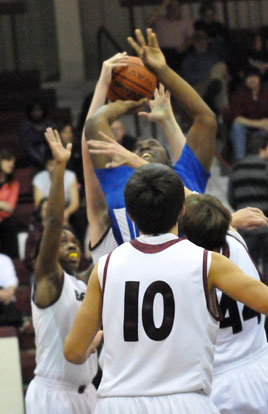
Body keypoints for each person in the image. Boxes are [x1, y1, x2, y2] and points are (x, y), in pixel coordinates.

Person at [64, 163, 268, 414]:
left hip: (117, 403)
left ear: (130, 212)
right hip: (184, 400)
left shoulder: (105, 267)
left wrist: (97, 340)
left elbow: (73, 352)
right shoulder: (206, 262)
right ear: (181, 210)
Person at [85, 28, 217, 245]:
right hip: (136, 276)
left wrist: (163, 71)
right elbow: (94, 124)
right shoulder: (118, 181)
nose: (145, 145)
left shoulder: (184, 178)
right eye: (138, 148)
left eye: (154, 145)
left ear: (170, 163)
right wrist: (126, 103)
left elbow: (206, 119)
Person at [25, 128, 99, 414]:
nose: (71, 243)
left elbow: (118, 254)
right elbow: (55, 221)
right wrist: (60, 167)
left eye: (74, 240)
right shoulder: (49, 281)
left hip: (89, 393)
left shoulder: (84, 283)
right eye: (63, 241)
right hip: (53, 397)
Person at [179, 193, 268, 413]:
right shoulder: (235, 237)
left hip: (219, 385)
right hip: (261, 366)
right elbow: (202, 206)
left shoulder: (182, 271)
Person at [228, 135, 268, 284]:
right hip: (266, 226)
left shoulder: (236, 168)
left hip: (245, 228)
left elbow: (231, 197)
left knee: (250, 269)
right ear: (262, 148)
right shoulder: (265, 166)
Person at [32, 153, 86, 248]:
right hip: (47, 210)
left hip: (66, 209)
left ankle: (78, 246)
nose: (54, 167)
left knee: (80, 216)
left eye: (57, 164)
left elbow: (75, 202)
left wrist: (65, 213)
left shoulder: (70, 176)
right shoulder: (39, 179)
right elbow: (39, 204)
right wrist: (53, 215)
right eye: (51, 164)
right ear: (46, 166)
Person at [180, 30, 229, 114]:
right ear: (194, 44)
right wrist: (209, 75)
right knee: (219, 81)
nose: (201, 44)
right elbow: (188, 77)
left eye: (203, 41)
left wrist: (225, 76)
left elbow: (222, 70)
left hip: (213, 83)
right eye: (198, 41)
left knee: (221, 68)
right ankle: (222, 114)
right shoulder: (189, 59)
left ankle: (210, 97)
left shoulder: (213, 56)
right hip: (199, 86)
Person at [228, 67, 268, 160]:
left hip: (264, 129)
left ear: (259, 79)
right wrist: (260, 123)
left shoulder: (266, 93)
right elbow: (237, 118)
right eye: (249, 77)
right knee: (237, 126)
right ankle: (240, 160)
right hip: (246, 129)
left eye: (255, 77)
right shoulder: (239, 94)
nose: (252, 80)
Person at [148, 0, 193, 72]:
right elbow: (149, 22)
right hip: (161, 52)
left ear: (180, 8)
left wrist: (184, 47)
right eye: (171, 6)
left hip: (178, 52)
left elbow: (191, 38)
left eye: (176, 6)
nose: (174, 9)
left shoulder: (186, 20)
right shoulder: (160, 20)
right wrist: (164, 4)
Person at [18, 100, 55, 168]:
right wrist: (41, 161)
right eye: (34, 110)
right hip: (32, 161)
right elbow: (28, 147)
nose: (37, 112)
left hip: (51, 158)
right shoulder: (25, 127)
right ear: (30, 112)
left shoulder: (50, 125)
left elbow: (55, 143)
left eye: (39, 110)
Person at [0, 149, 19, 258]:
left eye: (13, 162)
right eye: (8, 160)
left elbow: (10, 208)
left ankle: (12, 260)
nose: (11, 164)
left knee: (11, 222)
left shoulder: (14, 184)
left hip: (5, 220)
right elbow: (4, 206)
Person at [0, 252, 22, 327]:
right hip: (3, 295)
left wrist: (8, 293)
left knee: (10, 305)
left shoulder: (4, 259)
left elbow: (11, 281)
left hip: (5, 299)